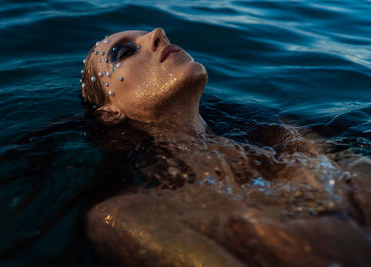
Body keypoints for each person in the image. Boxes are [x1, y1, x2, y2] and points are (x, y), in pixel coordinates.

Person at [82, 29, 371, 266]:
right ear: (110, 112)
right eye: (124, 52)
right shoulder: (129, 215)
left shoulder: (284, 137)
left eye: (153, 33)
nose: (159, 34)